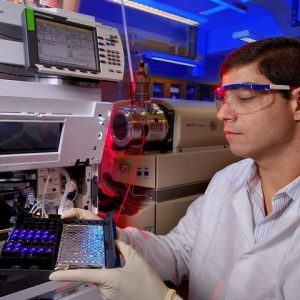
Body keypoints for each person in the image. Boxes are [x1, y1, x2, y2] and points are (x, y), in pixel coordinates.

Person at [49, 37, 300, 300]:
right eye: (223, 99)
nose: (223, 114)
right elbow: (177, 252)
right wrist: (107, 237)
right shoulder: (227, 181)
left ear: (297, 103)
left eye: (245, 98)